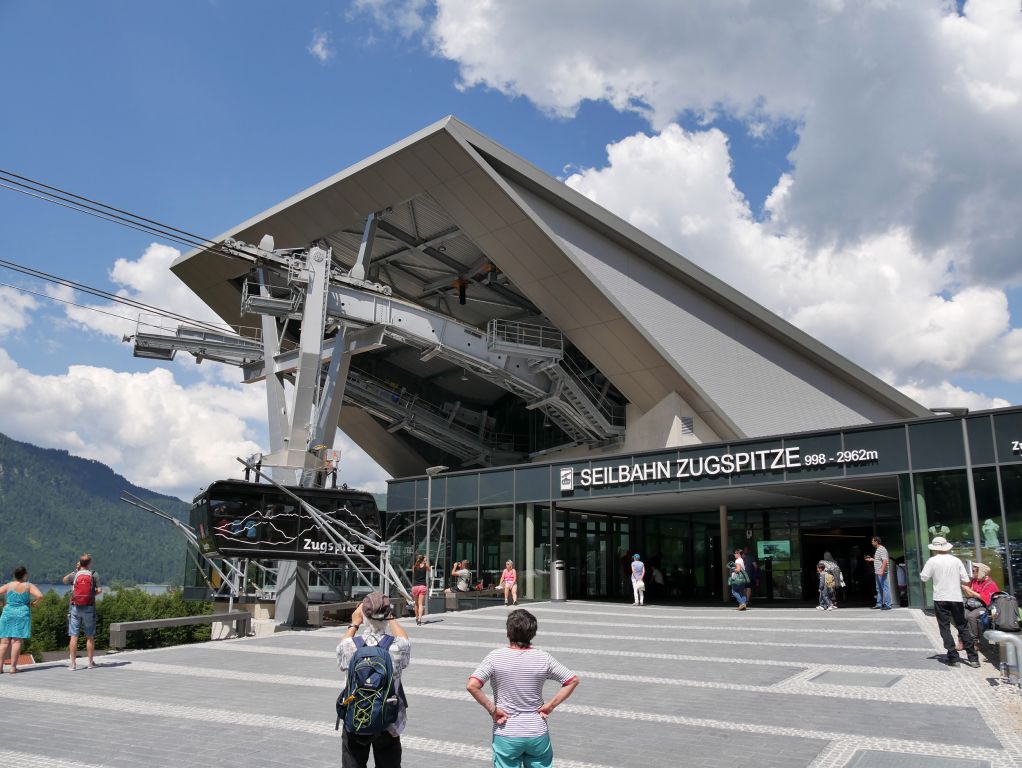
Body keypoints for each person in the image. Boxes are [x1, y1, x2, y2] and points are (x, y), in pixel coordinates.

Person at [467, 609, 579, 768]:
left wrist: (492, 709)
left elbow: (472, 685)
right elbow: (572, 680)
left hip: (506, 732)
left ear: (508, 632)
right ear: (532, 634)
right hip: (537, 732)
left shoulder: (495, 657)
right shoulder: (543, 657)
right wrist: (550, 706)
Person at [336, 592, 410, 768]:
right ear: (388, 616)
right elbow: (405, 639)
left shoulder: (350, 645)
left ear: (363, 614)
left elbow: (340, 652)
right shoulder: (398, 646)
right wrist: (390, 616)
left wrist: (354, 623)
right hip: (388, 721)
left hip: (356, 717)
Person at [920, 536, 979, 668]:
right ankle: (973, 658)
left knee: (945, 627)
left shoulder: (932, 561)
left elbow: (923, 577)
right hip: (956, 597)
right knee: (962, 626)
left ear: (934, 549)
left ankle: (953, 657)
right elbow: (965, 579)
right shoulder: (956, 560)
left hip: (940, 597)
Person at [0, 565, 44, 674]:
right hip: (21, 613)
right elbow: (40, 596)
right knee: (16, 641)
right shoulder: (28, 586)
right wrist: (32, 603)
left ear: (15, 575)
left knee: (4, 642)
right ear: (25, 575)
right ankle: (13, 668)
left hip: (7, 612)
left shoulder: (9, 585)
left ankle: (0, 668)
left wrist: (1, 603)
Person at [62, 554, 102, 670]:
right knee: (89, 636)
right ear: (90, 563)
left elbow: (64, 580)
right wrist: (91, 595)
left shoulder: (75, 574)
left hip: (75, 607)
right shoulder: (94, 574)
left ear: (79, 563)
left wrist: (75, 569)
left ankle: (73, 664)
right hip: (89, 607)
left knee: (74, 636)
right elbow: (99, 590)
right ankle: (90, 663)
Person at [960, 562, 999, 647]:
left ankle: (975, 641)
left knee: (971, 616)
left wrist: (969, 590)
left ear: (980, 573)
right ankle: (963, 639)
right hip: (974, 604)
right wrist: (965, 588)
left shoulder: (990, 584)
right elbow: (970, 595)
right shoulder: (974, 581)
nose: (972, 573)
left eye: (974, 571)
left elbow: (984, 598)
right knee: (963, 615)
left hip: (985, 606)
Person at [864, 536, 892, 610]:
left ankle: (888, 605)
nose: (872, 542)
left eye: (873, 541)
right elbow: (879, 560)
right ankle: (879, 604)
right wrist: (871, 559)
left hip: (881, 572)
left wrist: (882, 570)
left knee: (885, 588)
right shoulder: (878, 550)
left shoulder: (882, 549)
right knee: (879, 588)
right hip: (878, 572)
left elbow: (885, 560)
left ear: (876, 542)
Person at [410, 554, 429, 626]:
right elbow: (429, 570)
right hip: (422, 586)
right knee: (421, 604)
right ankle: (420, 620)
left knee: (416, 603)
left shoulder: (414, 567)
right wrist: (426, 562)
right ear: (423, 559)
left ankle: (416, 617)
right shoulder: (425, 566)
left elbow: (414, 572)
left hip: (415, 587)